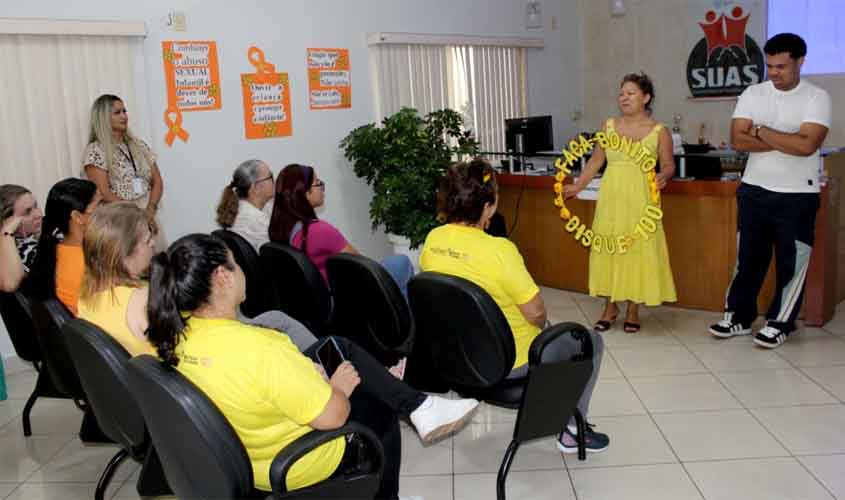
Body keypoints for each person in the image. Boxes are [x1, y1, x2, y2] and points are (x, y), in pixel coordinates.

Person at [145, 233, 479, 498]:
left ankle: (420, 406)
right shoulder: (262, 347)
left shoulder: (174, 337)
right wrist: (336, 388)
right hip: (297, 463)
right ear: (222, 278)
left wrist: (309, 375)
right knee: (378, 408)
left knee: (335, 347)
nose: (242, 271)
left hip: (244, 451)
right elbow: (333, 415)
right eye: (236, 265)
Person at [421, 160, 609, 454]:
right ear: (488, 206)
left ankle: (557, 415)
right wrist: (544, 326)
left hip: (458, 359)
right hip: (511, 362)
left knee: (551, 329)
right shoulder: (499, 250)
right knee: (589, 339)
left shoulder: (433, 240)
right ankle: (572, 430)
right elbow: (535, 314)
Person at [709, 33, 831, 348]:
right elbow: (738, 139)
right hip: (754, 191)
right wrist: (786, 138)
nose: (773, 72)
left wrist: (760, 131)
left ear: (800, 61)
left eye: (781, 66)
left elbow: (807, 146)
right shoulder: (753, 93)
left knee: (792, 262)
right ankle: (737, 317)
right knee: (747, 259)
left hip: (797, 195)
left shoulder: (816, 98)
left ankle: (780, 323)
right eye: (770, 65)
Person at [79, 202, 317, 355]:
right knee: (278, 322)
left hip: (156, 386)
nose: (153, 244)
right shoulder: (142, 300)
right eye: (146, 240)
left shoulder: (87, 298)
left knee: (270, 318)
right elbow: (198, 340)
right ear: (123, 251)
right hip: (205, 362)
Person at [564, 72, 677, 333]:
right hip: (612, 196)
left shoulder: (659, 131)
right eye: (622, 93)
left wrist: (664, 174)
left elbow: (669, 164)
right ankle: (609, 306)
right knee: (609, 246)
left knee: (638, 250)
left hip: (642, 198)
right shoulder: (609, 125)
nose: (624, 98)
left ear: (646, 97)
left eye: (631, 93)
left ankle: (633, 310)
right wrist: (578, 185)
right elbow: (596, 161)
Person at [268, 164, 413, 297]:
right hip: (339, 296)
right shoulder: (319, 230)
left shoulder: (279, 227)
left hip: (312, 298)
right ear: (305, 193)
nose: (322, 188)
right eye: (318, 183)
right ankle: (404, 322)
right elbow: (363, 265)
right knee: (401, 262)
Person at [83, 94, 164, 247]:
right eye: (117, 113)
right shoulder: (95, 151)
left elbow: (157, 180)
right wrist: (137, 213)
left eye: (124, 111)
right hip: (120, 218)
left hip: (147, 212)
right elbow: (104, 193)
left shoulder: (138, 144)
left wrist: (150, 210)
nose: (124, 116)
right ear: (103, 118)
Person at [24, 179, 101, 315]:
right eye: (99, 206)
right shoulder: (86, 263)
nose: (107, 211)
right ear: (77, 217)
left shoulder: (57, 248)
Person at [215, 159, 275, 252]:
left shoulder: (238, 208)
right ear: (256, 187)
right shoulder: (257, 221)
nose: (274, 181)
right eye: (270, 176)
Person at [0, 185, 43, 291]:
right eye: (27, 212)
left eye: (36, 206)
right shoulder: (22, 251)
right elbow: (10, 284)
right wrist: (7, 231)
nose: (39, 214)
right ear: (9, 222)